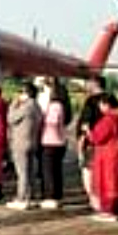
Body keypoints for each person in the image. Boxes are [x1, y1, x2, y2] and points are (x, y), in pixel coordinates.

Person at [87, 94, 118, 222]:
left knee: (106, 182)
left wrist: (88, 131)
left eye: (101, 105)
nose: (100, 107)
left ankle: (108, 211)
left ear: (107, 105)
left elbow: (97, 137)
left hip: (106, 154)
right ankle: (115, 210)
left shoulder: (108, 119)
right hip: (117, 152)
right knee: (116, 182)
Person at [7, 82, 42, 210]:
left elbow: (10, 119)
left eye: (21, 92)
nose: (19, 95)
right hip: (32, 141)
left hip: (21, 142)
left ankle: (21, 198)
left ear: (26, 93)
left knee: (22, 172)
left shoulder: (26, 106)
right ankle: (31, 197)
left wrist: (13, 105)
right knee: (30, 171)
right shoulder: (37, 106)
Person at [39, 78, 71, 210]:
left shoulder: (54, 106)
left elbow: (52, 123)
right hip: (60, 141)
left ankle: (50, 197)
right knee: (56, 170)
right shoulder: (63, 106)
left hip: (50, 140)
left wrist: (42, 120)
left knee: (49, 170)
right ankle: (57, 195)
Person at [77, 76, 107, 212]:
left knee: (88, 172)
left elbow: (85, 124)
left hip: (91, 141)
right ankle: (104, 201)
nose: (86, 85)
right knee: (104, 173)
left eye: (88, 82)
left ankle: (94, 201)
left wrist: (81, 142)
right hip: (107, 142)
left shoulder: (91, 101)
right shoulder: (112, 99)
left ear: (95, 84)